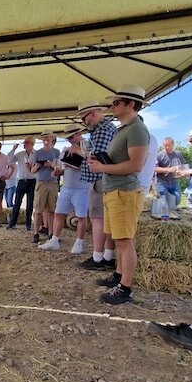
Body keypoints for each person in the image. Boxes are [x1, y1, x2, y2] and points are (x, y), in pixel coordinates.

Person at [89, 84, 150, 305]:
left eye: (116, 102)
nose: (112, 107)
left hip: (124, 190)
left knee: (125, 240)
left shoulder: (136, 129)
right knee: (119, 238)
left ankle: (125, 288)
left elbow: (135, 165)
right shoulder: (124, 128)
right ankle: (118, 276)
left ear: (131, 104)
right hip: (115, 189)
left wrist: (102, 168)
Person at [75, 100, 117, 271]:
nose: (85, 124)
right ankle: (107, 256)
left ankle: (98, 257)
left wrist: (78, 151)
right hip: (104, 179)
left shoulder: (101, 131)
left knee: (98, 219)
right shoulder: (109, 128)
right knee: (105, 220)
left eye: (85, 120)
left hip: (99, 179)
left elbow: (94, 157)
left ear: (92, 114)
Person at [38, 124, 88, 254]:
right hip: (66, 186)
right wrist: (58, 171)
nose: (69, 140)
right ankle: (54, 240)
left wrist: (79, 154)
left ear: (78, 134)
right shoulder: (66, 149)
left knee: (81, 216)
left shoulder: (87, 146)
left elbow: (91, 166)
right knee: (58, 213)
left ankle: (79, 242)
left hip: (81, 187)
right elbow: (62, 168)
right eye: (67, 138)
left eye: (70, 137)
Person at [31, 131, 60, 244]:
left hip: (53, 183)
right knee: (38, 209)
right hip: (41, 183)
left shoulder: (57, 152)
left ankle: (51, 233)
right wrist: (38, 166)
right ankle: (36, 233)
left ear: (52, 139)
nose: (46, 139)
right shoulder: (37, 153)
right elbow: (32, 170)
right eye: (44, 138)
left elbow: (60, 168)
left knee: (52, 209)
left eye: (48, 137)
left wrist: (52, 166)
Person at [7, 137, 36, 230]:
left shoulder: (36, 154)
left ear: (32, 144)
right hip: (21, 181)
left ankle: (28, 224)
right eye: (24, 142)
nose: (24, 144)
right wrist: (13, 149)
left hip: (32, 181)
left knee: (30, 204)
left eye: (27, 142)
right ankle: (12, 223)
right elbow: (10, 160)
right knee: (17, 203)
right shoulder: (20, 154)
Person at [155, 136, 186, 209]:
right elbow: (154, 168)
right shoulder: (159, 155)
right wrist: (168, 170)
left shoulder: (178, 154)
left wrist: (180, 170)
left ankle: (170, 212)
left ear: (173, 144)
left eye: (169, 145)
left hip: (174, 181)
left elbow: (183, 166)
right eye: (165, 145)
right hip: (162, 182)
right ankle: (164, 215)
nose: (167, 147)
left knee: (177, 200)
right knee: (163, 201)